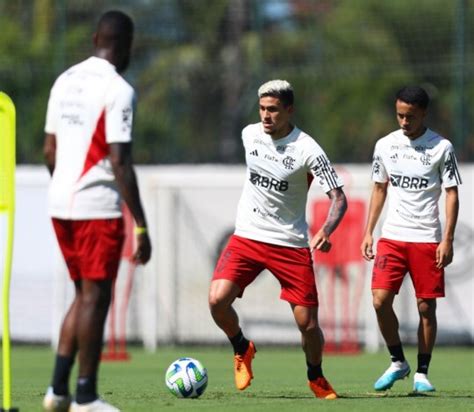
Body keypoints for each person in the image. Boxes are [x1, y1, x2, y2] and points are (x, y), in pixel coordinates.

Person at [208, 80, 347, 400]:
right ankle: (242, 348)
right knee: (217, 300)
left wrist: (326, 229)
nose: (266, 116)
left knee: (308, 325)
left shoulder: (308, 149)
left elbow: (338, 197)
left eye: (273, 110)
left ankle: (316, 376)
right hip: (247, 236)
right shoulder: (249, 134)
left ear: (289, 110)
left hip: (290, 243)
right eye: (262, 109)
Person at [42, 10, 151, 412]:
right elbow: (120, 161)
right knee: (96, 297)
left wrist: (64, 189)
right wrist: (141, 224)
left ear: (94, 39)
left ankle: (57, 391)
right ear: (125, 46)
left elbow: (50, 150)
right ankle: (85, 396)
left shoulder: (64, 81)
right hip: (95, 207)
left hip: (60, 205)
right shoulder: (118, 89)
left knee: (83, 295)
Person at [361, 86, 461, 392]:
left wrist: (447, 239)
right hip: (393, 237)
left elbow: (452, 193)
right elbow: (379, 188)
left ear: (424, 114)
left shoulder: (441, 147)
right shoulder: (385, 145)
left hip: (427, 239)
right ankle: (397, 361)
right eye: (399, 115)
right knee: (379, 301)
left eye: (410, 116)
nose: (404, 122)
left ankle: (421, 374)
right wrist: (369, 231)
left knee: (425, 308)